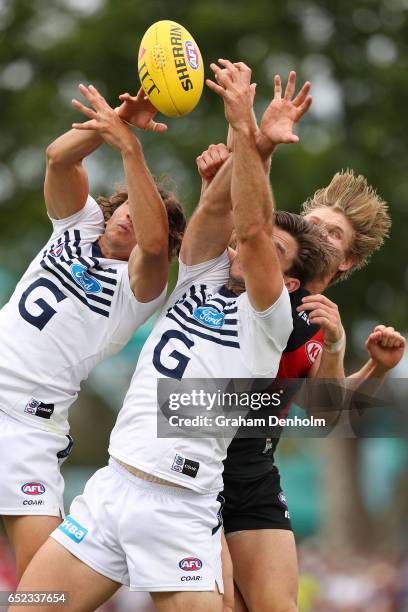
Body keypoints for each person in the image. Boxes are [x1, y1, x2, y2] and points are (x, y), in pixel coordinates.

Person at [13, 61, 327, 612]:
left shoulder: (269, 317)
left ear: (289, 282)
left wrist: (244, 121)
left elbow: (252, 230)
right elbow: (220, 211)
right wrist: (251, 141)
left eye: (274, 257)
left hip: (179, 506)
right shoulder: (200, 278)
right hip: (111, 492)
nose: (245, 251)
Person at [196, 80, 404, 610]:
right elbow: (244, 222)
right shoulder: (260, 276)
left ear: (348, 263)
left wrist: (371, 368)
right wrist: (235, 153)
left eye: (334, 235)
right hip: (194, 450)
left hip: (255, 470)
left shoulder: (319, 320)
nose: (318, 235)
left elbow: (322, 413)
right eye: (312, 223)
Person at [0, 84, 186, 580]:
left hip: (28, 428)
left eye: (160, 218)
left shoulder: (139, 287)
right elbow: (59, 159)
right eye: (133, 203)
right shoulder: (76, 226)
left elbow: (152, 242)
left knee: (44, 579)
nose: (134, 213)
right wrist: (116, 124)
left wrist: (130, 148)